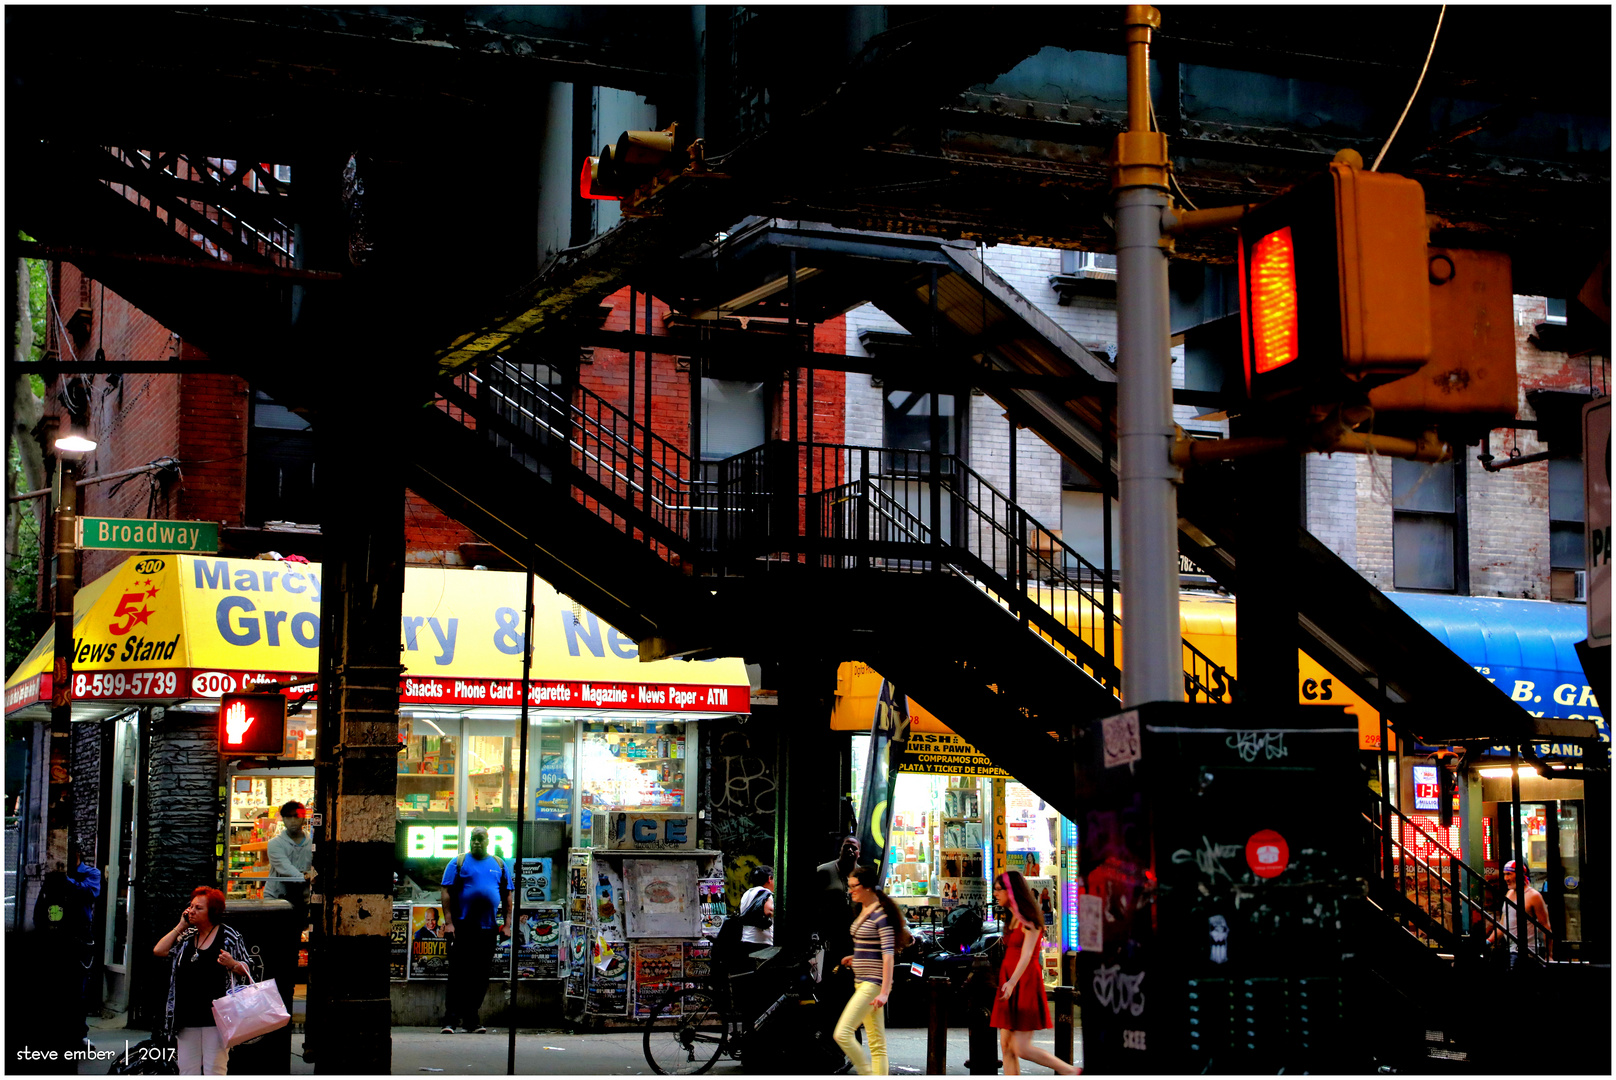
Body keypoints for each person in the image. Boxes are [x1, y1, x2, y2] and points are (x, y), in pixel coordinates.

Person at [154, 887, 260, 1075]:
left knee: (215, 1069)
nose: (191, 911)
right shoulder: (186, 938)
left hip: (217, 1017)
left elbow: (248, 970)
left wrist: (232, 963)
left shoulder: (229, 937)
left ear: (212, 912)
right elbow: (159, 951)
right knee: (187, 1070)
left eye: (199, 908)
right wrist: (180, 926)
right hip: (186, 1017)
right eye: (191, 906)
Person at [991, 870, 1079, 1075]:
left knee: (1021, 1047)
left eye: (998, 890)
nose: (995, 894)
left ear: (1011, 891)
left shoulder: (1028, 919)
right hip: (1010, 980)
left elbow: (1027, 954)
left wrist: (1012, 982)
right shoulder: (1012, 918)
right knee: (1006, 1045)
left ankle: (1071, 1071)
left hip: (1024, 981)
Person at [833, 864, 910, 1076]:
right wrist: (856, 958)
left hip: (873, 983)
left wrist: (885, 991)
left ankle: (865, 1073)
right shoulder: (865, 909)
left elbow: (888, 955)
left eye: (854, 886)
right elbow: (872, 947)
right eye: (849, 886)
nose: (851, 890)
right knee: (877, 1043)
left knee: (842, 1033)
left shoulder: (880, 915)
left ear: (867, 887)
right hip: (863, 980)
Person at [439, 826, 512, 1034]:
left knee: (480, 976)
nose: (476, 842)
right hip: (462, 928)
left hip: (488, 929)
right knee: (458, 974)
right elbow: (446, 892)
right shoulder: (458, 862)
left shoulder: (498, 864)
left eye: (480, 839)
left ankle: (472, 1019)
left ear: (488, 841)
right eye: (473, 839)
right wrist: (449, 922)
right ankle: (450, 1020)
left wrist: (507, 925)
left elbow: (508, 895)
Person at [1489, 859, 1552, 969]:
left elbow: (1545, 926)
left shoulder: (1533, 896)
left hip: (1527, 952)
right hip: (1510, 949)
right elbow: (1503, 924)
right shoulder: (1509, 893)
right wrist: (1489, 941)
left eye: (1509, 874)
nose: (1506, 878)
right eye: (1504, 874)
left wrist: (1548, 955)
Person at [264, 801, 314, 907]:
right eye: (288, 817)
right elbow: (286, 868)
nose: (293, 821)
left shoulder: (312, 844)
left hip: (303, 899)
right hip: (277, 899)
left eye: (296, 816)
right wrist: (305, 876)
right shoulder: (275, 844)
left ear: (304, 818)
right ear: (283, 819)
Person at [738, 864, 776, 956]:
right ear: (769, 879)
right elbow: (769, 911)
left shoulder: (747, 893)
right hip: (761, 942)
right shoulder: (766, 893)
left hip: (746, 939)